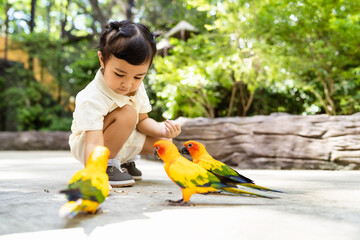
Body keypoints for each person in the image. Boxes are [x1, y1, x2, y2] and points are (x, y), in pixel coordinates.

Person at [69, 20, 181, 187]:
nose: (127, 84)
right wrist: (93, 173)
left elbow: (143, 121)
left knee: (164, 142)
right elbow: (93, 141)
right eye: (119, 74)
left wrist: (163, 130)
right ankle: (107, 165)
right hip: (91, 143)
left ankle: (124, 161)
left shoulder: (136, 88)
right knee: (128, 113)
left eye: (138, 77)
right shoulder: (91, 97)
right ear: (102, 60)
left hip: (123, 138)